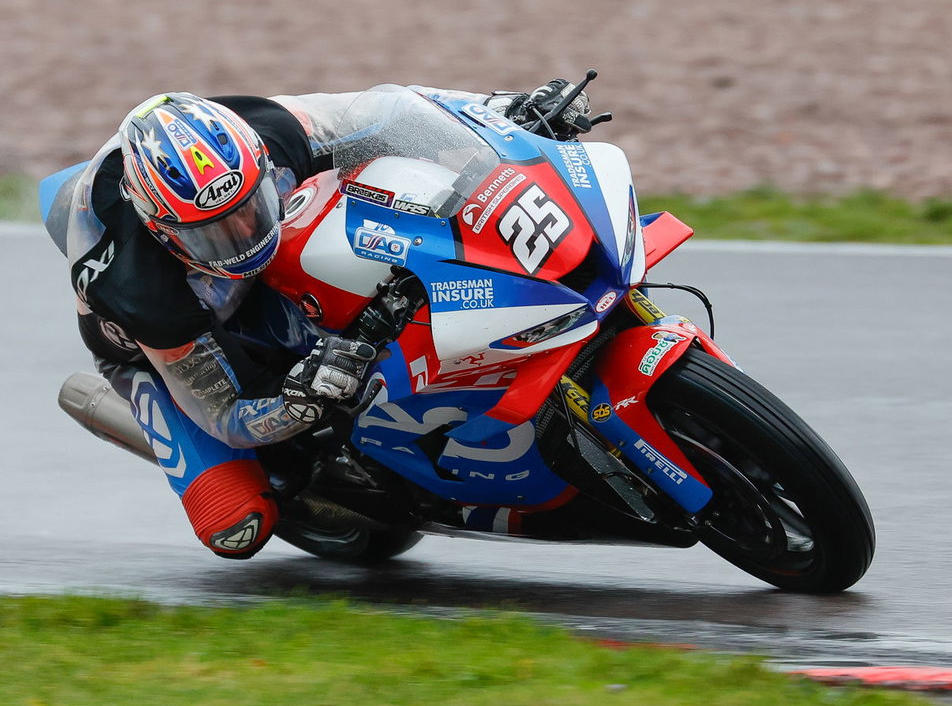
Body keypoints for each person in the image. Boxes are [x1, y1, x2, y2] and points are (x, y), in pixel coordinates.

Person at [44, 81, 592, 559]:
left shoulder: (269, 129)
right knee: (236, 525)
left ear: (259, 164)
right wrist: (298, 399)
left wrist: (508, 109)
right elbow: (227, 413)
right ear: (162, 229)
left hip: (262, 250)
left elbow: (394, 115)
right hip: (158, 349)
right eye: (213, 233)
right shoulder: (140, 290)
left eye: (250, 207)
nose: (243, 237)